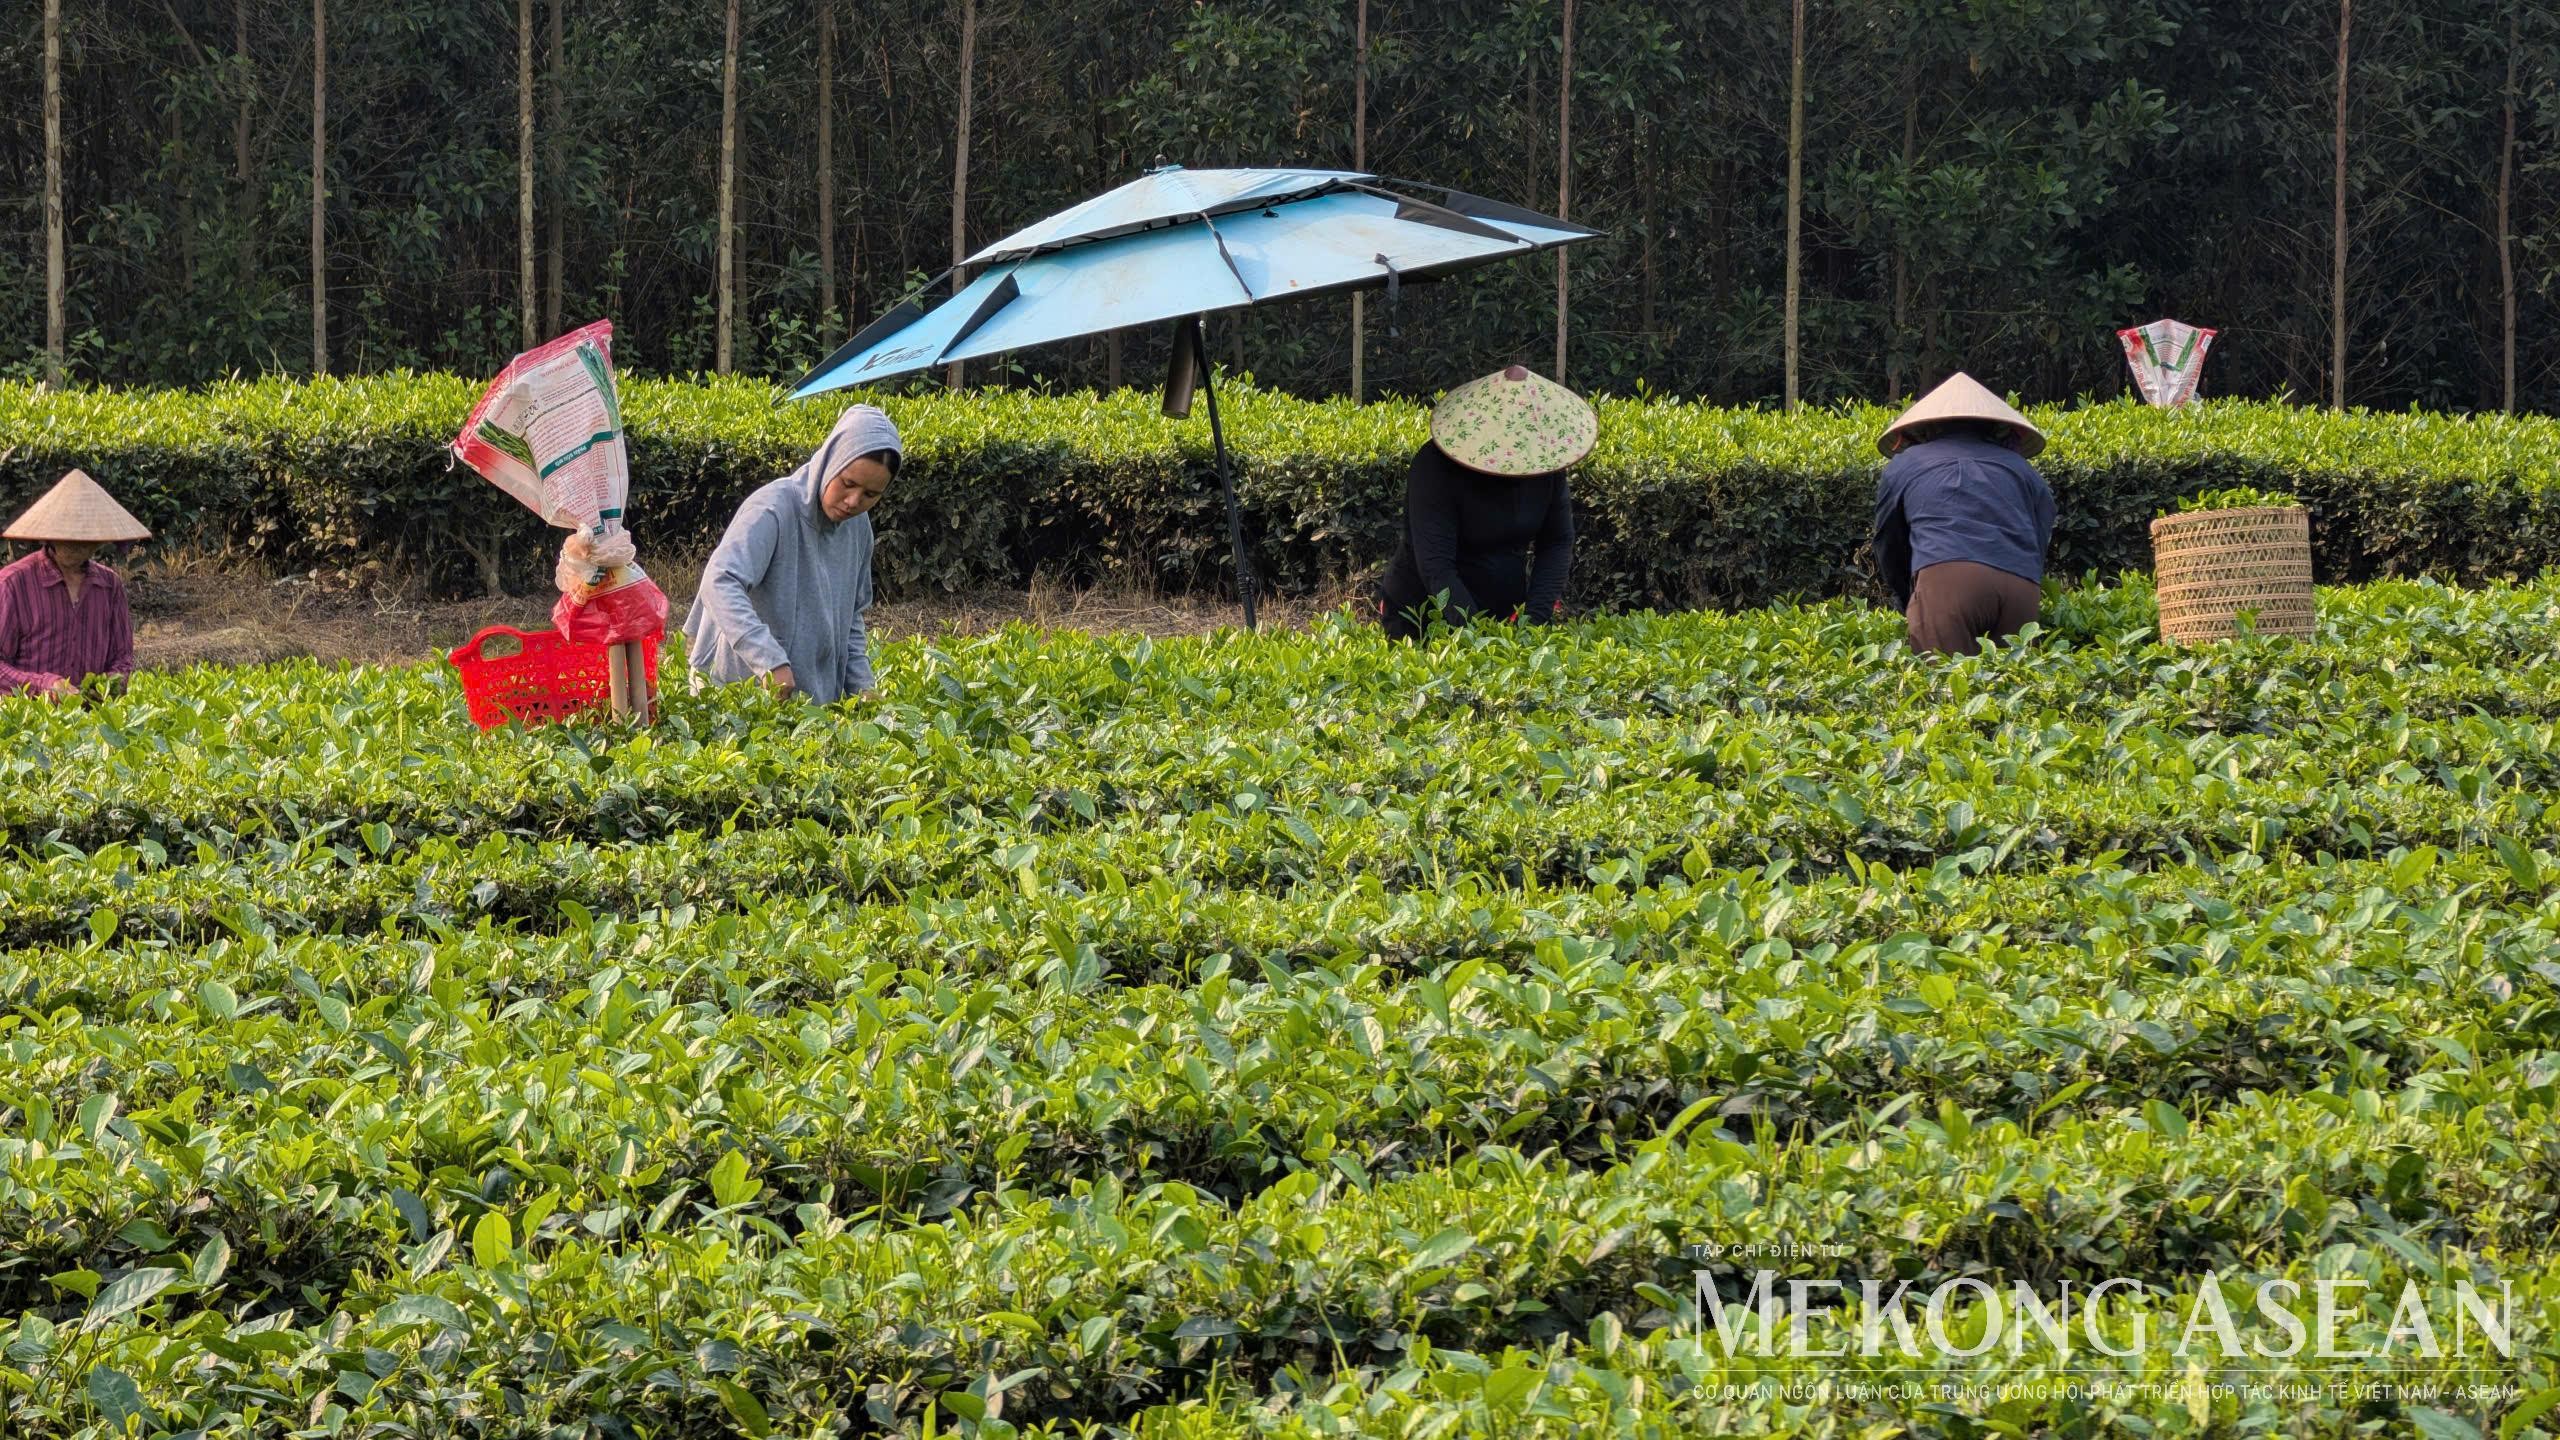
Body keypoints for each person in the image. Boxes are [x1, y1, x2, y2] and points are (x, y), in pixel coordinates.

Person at [681, 403, 900, 703]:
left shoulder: (858, 528)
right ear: (832, 461)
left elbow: (851, 618)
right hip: (734, 687)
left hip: (808, 698)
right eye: (848, 483)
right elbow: (719, 582)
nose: (853, 501)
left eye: (870, 494)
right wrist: (769, 660)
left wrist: (862, 686)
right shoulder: (773, 508)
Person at [1377, 365, 1592, 640]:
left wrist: (1532, 622)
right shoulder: (1434, 467)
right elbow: (1436, 566)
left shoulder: (1545, 467)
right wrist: (1477, 639)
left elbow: (1557, 542)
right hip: (1424, 613)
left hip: (1502, 610)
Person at [1871, 372, 2057, 656]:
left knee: (1947, 679)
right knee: (2014, 680)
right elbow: (2040, 532)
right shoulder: (2021, 468)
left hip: (1947, 580)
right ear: (1993, 427)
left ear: (1926, 428)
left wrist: (1907, 596)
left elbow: (1889, 542)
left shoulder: (1907, 464)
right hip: (2020, 587)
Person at [0, 469, 146, 700]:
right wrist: (44, 686)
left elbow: (122, 658)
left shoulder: (109, 586)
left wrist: (109, 684)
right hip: (29, 717)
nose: (74, 544)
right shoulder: (13, 584)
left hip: (92, 719)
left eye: (84, 538)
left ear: (101, 539)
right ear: (48, 534)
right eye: (65, 535)